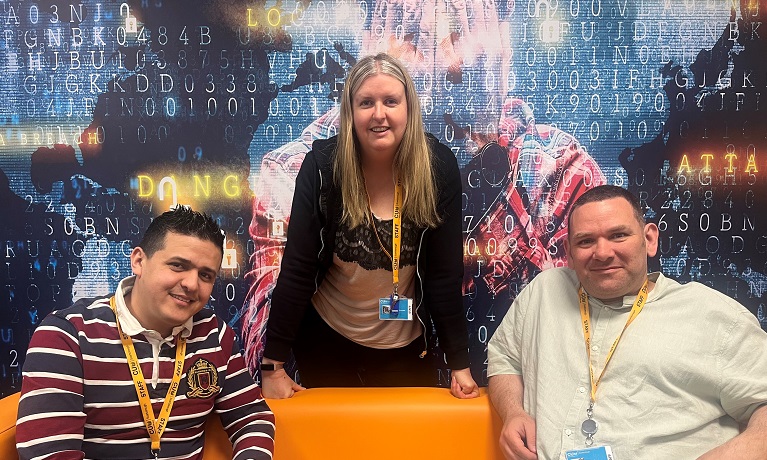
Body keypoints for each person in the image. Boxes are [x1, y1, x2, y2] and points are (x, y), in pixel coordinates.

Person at [487, 184, 767, 459]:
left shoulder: (712, 315)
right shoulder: (544, 292)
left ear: (650, 239)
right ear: (569, 252)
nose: (603, 253)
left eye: (618, 235)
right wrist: (513, 412)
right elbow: (505, 359)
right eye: (585, 241)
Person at [259, 53, 479, 399]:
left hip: (404, 344)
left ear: (409, 108)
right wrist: (272, 365)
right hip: (326, 339)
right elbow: (298, 269)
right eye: (366, 103)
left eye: (391, 101)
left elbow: (444, 276)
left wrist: (460, 364)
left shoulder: (438, 169)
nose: (379, 114)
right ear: (350, 112)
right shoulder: (321, 169)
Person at [16, 207, 275, 460]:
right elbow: (50, 453)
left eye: (205, 275)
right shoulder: (67, 335)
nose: (191, 284)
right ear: (139, 261)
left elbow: (252, 416)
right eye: (177, 265)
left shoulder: (215, 335)